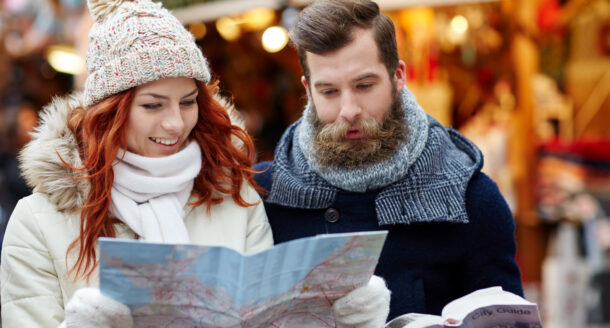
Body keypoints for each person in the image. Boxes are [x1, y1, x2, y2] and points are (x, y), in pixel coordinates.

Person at [0, 0, 390, 327]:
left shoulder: (231, 196)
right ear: (108, 113)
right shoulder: (38, 221)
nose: (175, 123)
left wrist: (344, 320)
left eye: (188, 102)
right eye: (153, 105)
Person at [254, 0, 524, 321]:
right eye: (329, 91)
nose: (349, 109)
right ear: (308, 91)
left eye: (364, 86)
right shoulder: (261, 195)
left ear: (398, 76)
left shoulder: (472, 199)